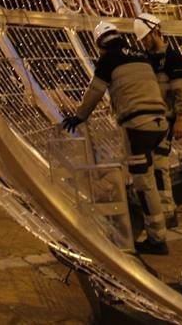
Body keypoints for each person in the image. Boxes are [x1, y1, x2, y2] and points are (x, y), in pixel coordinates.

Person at [61, 21, 170, 255]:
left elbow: (95, 91)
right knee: (150, 175)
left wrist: (79, 117)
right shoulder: (141, 55)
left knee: (143, 184)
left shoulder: (108, 59)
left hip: (137, 125)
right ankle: (162, 224)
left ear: (100, 43)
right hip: (159, 122)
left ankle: (157, 239)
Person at [133, 12, 182, 227]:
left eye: (147, 37)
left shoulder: (173, 58)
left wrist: (180, 119)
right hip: (150, 120)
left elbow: (180, 91)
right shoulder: (146, 58)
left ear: (156, 31)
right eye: (143, 40)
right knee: (151, 166)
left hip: (165, 120)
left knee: (159, 165)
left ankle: (167, 211)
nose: (146, 43)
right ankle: (159, 209)